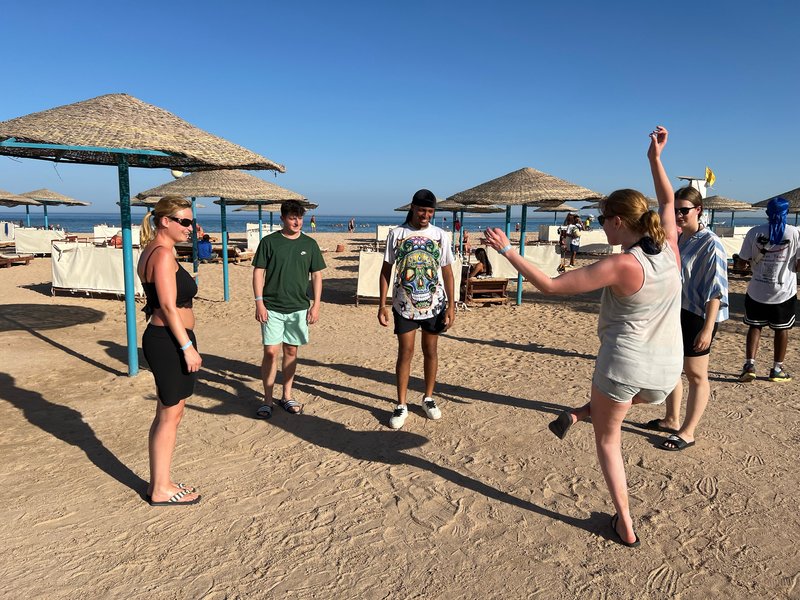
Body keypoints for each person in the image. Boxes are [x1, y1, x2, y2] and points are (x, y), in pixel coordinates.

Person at [484, 126, 681, 547]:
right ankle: (577, 413)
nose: (600, 226)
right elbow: (667, 201)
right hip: (666, 374)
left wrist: (507, 250)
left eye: (603, 220)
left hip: (625, 366)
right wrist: (655, 159)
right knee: (614, 408)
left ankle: (624, 522)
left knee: (608, 439)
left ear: (618, 221)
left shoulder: (623, 265)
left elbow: (551, 286)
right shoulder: (670, 247)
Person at [644, 186, 729, 451]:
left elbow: (716, 290)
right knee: (672, 368)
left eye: (684, 210)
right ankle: (672, 418)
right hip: (676, 311)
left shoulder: (710, 243)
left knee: (696, 374)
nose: (679, 215)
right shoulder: (679, 238)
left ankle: (688, 432)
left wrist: (707, 328)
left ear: (698, 210)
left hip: (699, 314)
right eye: (675, 210)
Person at [137, 196, 201, 506]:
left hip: (166, 338)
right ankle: (160, 488)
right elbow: (166, 306)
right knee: (169, 414)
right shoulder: (162, 254)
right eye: (185, 221)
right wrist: (187, 347)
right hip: (170, 340)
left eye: (191, 222)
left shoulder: (154, 250)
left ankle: (160, 481)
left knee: (168, 413)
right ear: (166, 221)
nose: (190, 227)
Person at [379, 189, 456, 430]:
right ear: (412, 208)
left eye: (430, 211)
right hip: (404, 305)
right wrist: (382, 304)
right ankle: (401, 404)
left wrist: (452, 305)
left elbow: (447, 272)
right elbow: (386, 270)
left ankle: (428, 398)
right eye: (422, 210)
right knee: (406, 351)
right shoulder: (397, 234)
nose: (426, 215)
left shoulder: (440, 235)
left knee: (431, 350)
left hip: (435, 305)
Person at [253, 200, 325, 418]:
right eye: (293, 218)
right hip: (272, 307)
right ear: (283, 218)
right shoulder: (269, 242)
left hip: (298, 307)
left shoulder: (310, 244)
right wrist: (259, 302)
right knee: (270, 352)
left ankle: (287, 395)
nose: (297, 222)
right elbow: (258, 272)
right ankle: (267, 400)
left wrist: (316, 305)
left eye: (300, 218)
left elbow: (317, 275)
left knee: (291, 351)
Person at [736, 196, 800, 382]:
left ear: (767, 213)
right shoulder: (794, 233)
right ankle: (777, 369)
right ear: (786, 213)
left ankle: (749, 366)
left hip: (757, 290)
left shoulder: (754, 232)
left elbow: (742, 263)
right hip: (783, 292)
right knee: (782, 330)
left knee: (755, 326)